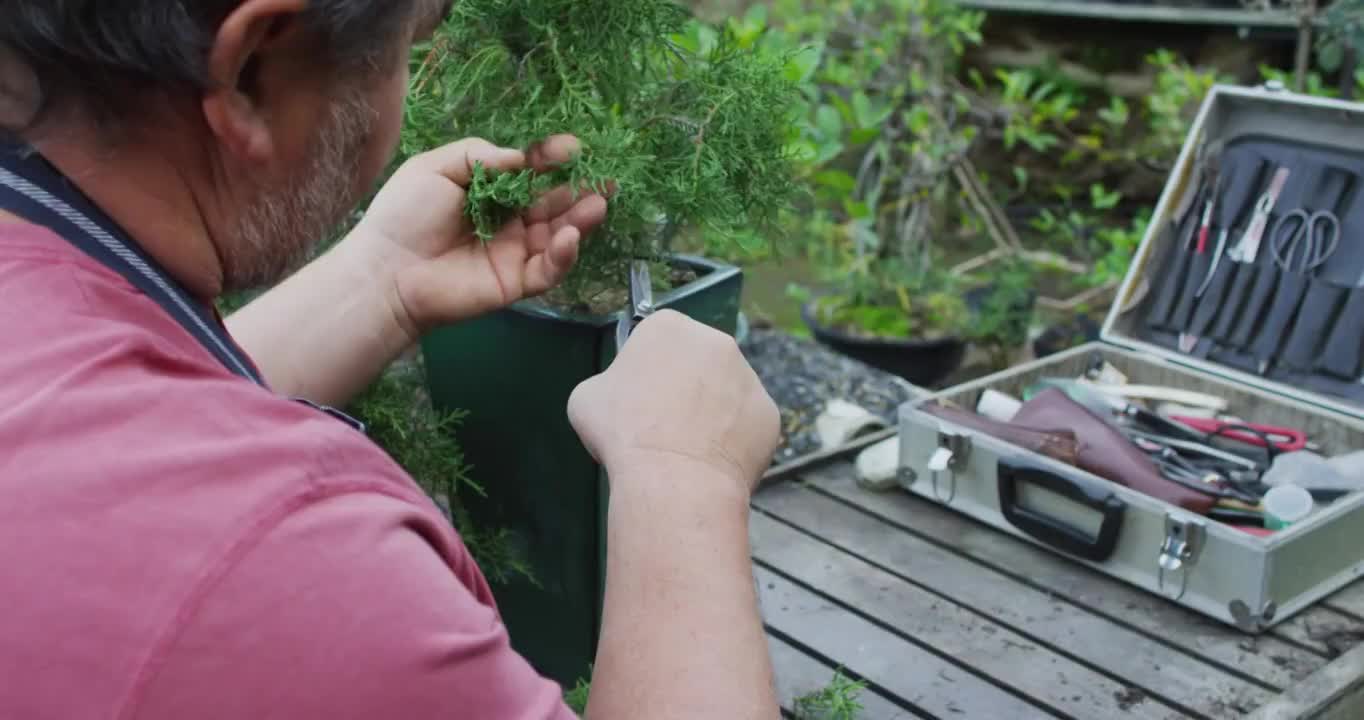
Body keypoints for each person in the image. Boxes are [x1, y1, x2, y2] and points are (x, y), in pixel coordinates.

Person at [0, 2, 782, 719]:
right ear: (252, 73)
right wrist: (684, 477)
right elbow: (213, 533)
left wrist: (381, 282)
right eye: (412, 44)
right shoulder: (300, 578)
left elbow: (126, 432)